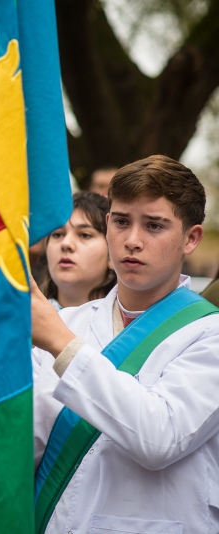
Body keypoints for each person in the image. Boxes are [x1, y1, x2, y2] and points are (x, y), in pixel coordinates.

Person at [31, 155, 219, 532]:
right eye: (121, 222)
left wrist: (63, 346)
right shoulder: (67, 324)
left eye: (154, 225)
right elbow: (25, 445)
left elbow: (159, 437)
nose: (132, 240)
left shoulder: (209, 335)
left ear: (191, 238)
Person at [37, 191, 115, 309]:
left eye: (84, 235)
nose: (66, 244)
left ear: (112, 255)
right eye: (57, 235)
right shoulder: (21, 321)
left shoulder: (136, 323)